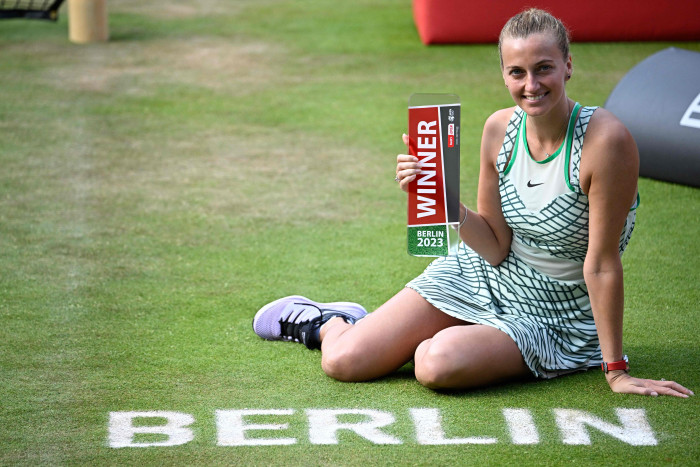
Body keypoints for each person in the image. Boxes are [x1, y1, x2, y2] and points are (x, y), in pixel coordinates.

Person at [252, 8, 693, 398]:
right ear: (503, 74)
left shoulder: (606, 141)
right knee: (344, 361)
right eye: (517, 72)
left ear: (568, 65)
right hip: (481, 273)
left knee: (434, 363)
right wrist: (445, 201)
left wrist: (616, 371)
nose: (531, 84)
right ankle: (326, 320)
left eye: (544, 69)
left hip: (557, 313)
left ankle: (465, 337)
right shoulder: (498, 130)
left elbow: (600, 264)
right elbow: (496, 245)